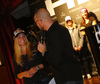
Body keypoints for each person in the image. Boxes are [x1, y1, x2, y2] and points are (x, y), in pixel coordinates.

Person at [34, 8, 83, 84]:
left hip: (67, 78)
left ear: (40, 21)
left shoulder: (53, 33)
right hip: (72, 75)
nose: (37, 25)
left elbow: (54, 60)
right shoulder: (61, 29)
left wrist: (44, 51)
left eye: (36, 22)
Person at [80, 8, 98, 79]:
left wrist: (86, 29)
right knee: (94, 56)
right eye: (82, 13)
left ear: (87, 13)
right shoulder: (82, 23)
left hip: (96, 40)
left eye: (85, 12)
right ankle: (98, 70)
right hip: (88, 42)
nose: (84, 14)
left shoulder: (92, 19)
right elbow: (83, 33)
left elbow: (95, 27)